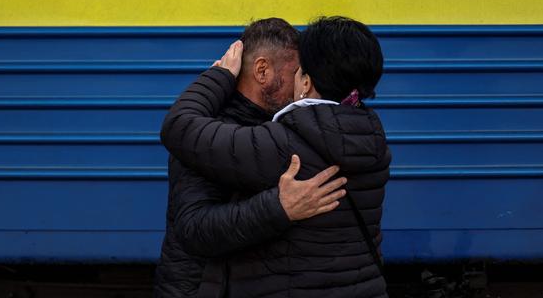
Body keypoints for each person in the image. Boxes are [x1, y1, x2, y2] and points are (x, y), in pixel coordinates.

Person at [162, 16, 391, 298]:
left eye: (301, 72)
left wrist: (215, 77)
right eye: (295, 71)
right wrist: (279, 207)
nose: (298, 80)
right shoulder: (373, 137)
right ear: (262, 71)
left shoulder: (283, 138)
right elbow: (194, 229)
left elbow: (178, 126)